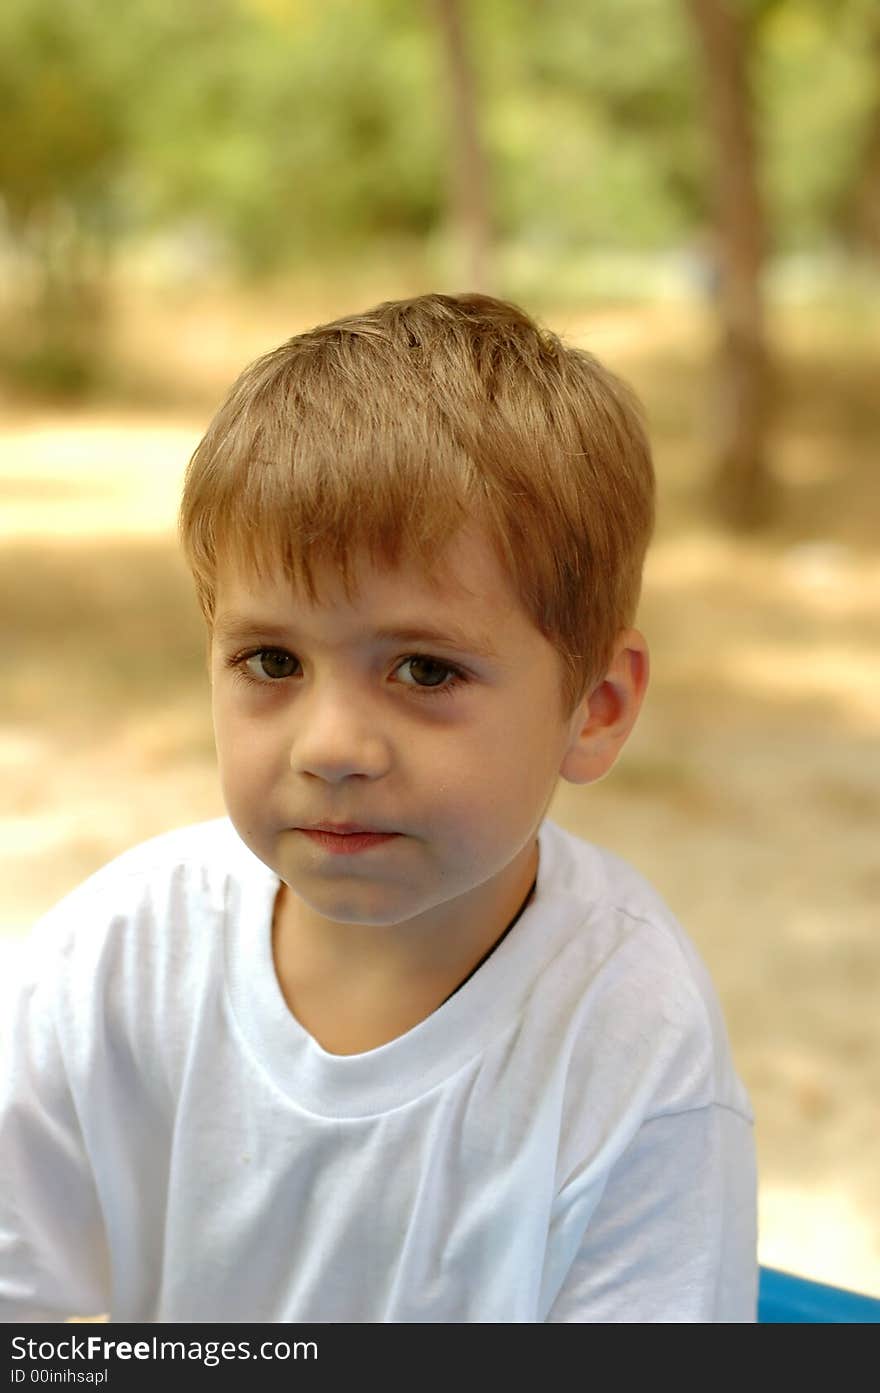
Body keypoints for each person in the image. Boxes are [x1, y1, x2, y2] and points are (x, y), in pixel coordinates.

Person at [0, 293, 757, 1323]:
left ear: (596, 706)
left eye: (424, 669)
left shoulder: (625, 1035)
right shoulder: (116, 956)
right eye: (271, 660)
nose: (332, 749)